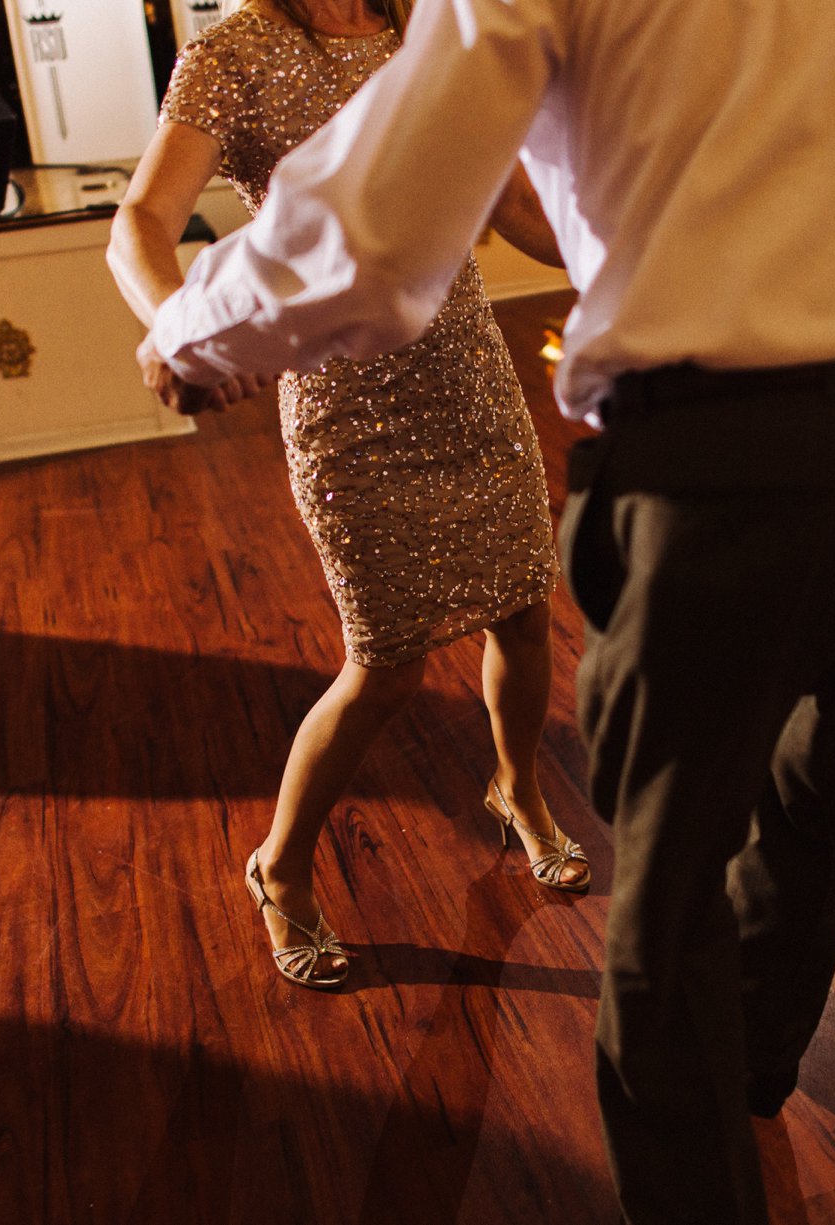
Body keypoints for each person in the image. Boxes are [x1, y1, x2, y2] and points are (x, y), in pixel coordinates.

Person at [138, 0, 835, 1219]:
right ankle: (756, 1071)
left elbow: (372, 231)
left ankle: (712, 1133)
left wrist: (191, 334)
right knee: (821, 766)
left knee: (668, 903)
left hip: (735, 481)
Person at [107, 0, 590, 992]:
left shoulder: (428, 28)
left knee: (523, 613)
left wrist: (614, 255)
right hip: (346, 410)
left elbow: (506, 200)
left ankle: (519, 793)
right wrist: (182, 327)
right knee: (386, 665)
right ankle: (279, 866)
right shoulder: (230, 57)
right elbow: (140, 224)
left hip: (468, 375)